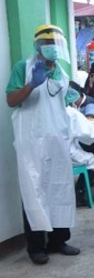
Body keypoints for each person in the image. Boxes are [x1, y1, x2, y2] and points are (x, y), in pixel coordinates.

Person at [6, 24, 80, 264]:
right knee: (34, 189)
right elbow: (11, 100)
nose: (53, 49)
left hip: (56, 140)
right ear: (38, 46)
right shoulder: (24, 68)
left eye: (56, 44)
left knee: (59, 187)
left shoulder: (62, 73)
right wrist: (31, 85)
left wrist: (72, 100)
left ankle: (59, 240)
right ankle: (36, 247)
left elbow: (61, 106)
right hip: (32, 141)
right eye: (48, 44)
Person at [65, 88, 94, 206]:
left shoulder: (47, 111)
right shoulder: (71, 113)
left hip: (49, 156)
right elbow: (88, 135)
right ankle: (80, 192)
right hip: (69, 154)